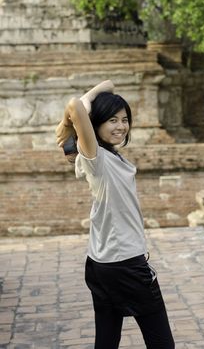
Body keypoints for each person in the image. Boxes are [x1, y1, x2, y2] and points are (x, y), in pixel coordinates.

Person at [55, 80, 175, 349]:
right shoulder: (96, 158)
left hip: (100, 263)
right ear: (95, 123)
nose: (121, 126)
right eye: (111, 120)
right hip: (125, 264)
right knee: (162, 343)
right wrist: (76, 113)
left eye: (124, 120)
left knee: (107, 341)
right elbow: (75, 105)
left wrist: (71, 123)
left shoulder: (101, 156)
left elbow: (106, 87)